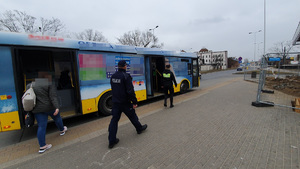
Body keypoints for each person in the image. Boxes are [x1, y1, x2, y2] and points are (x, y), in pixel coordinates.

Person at [108, 60, 147, 149]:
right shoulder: (126, 76)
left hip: (115, 102)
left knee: (114, 120)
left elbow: (113, 88)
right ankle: (139, 128)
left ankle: (111, 141)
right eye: (126, 65)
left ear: (118, 66)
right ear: (125, 66)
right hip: (125, 102)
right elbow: (130, 91)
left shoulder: (113, 76)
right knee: (132, 116)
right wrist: (134, 102)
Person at [27, 72, 67, 153]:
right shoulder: (49, 84)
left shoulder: (30, 85)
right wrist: (57, 107)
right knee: (57, 118)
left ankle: (42, 146)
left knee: (41, 126)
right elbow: (53, 97)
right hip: (49, 107)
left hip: (37, 110)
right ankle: (62, 130)